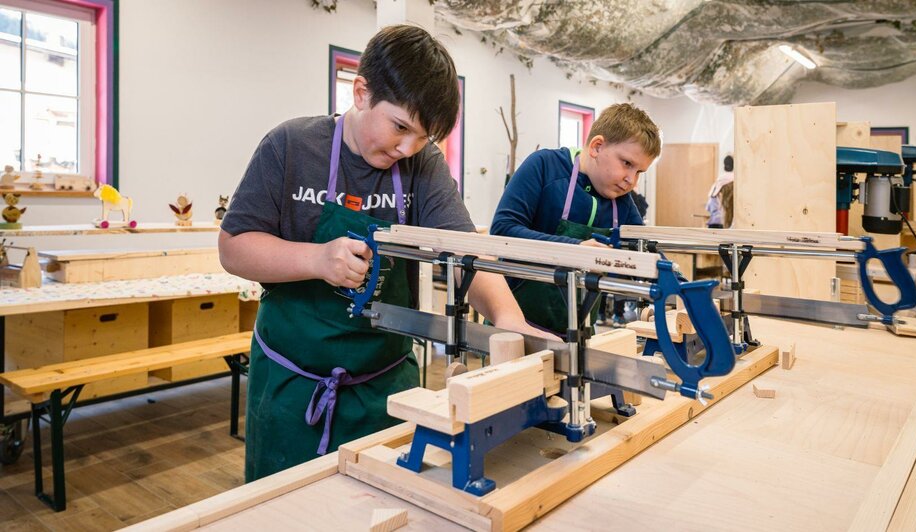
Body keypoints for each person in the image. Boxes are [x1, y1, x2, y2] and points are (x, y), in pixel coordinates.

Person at [220, 25, 550, 482]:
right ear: (361, 92)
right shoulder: (291, 147)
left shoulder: (422, 165)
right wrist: (317, 261)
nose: (407, 148)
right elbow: (234, 248)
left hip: (386, 389)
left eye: (422, 137)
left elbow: (461, 251)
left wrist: (506, 317)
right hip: (292, 386)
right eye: (400, 128)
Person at [490, 103, 662, 335]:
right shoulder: (544, 167)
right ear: (597, 146)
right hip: (515, 324)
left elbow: (644, 249)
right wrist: (577, 248)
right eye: (627, 164)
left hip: (578, 330)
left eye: (639, 171)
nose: (631, 180)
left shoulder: (620, 200)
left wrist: (681, 285)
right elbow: (503, 230)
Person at [706, 155, 734, 228]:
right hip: (728, 223)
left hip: (715, 222)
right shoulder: (736, 181)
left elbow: (709, 206)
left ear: (724, 165)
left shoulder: (718, 181)